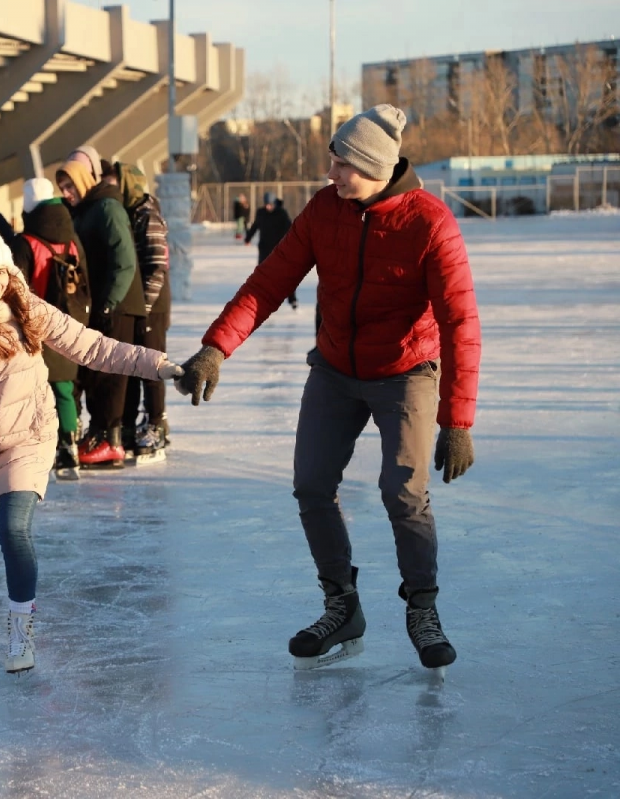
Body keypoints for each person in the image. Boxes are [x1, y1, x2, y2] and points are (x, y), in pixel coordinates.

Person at [175, 104, 480, 674]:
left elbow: (461, 323)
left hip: (406, 371)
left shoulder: (430, 223)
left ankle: (423, 606)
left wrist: (456, 421)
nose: (333, 174)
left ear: (376, 168)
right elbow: (269, 283)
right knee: (311, 484)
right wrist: (218, 345)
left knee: (403, 492)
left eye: (343, 165)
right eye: (333, 162)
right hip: (336, 369)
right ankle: (341, 605)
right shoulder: (324, 210)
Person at [0, 220, 182, 672]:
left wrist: (157, 364)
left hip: (26, 436)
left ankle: (20, 628)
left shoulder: (26, 307)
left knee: (13, 529)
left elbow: (92, 347)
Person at [55, 159, 146, 468]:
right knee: (96, 371)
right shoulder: (84, 211)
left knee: (110, 373)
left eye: (70, 186)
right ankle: (99, 433)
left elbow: (125, 260)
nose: (66, 193)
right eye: (62, 188)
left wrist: (109, 303)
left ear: (83, 181)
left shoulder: (107, 208)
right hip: (102, 304)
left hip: (119, 305)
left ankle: (112, 440)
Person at [10, 177, 91, 480]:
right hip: (69, 320)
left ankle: (37, 448)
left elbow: (16, 288)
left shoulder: (24, 242)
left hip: (36, 322)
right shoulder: (72, 236)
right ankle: (69, 447)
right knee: (64, 388)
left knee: (32, 389)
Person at [114, 163, 172, 464]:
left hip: (153, 305)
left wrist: (145, 307)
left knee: (152, 365)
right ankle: (136, 422)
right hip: (141, 304)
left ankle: (157, 423)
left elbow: (156, 268)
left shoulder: (147, 215)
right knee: (136, 365)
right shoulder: (133, 212)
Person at [246, 192, 297, 309]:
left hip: (280, 250)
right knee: (263, 275)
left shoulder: (281, 213)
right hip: (264, 249)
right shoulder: (261, 213)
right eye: (266, 205)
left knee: (286, 275)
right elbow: (255, 226)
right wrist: (248, 238)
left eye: (270, 204)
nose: (268, 207)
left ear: (274, 203)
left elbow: (290, 229)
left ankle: (292, 299)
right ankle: (261, 299)